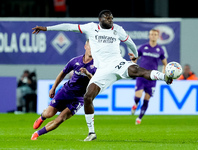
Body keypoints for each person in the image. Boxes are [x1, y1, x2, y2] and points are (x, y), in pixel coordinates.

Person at [32, 10, 173, 141]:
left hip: (117, 63)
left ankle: (165, 77)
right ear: (100, 19)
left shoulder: (118, 30)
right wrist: (47, 28)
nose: (110, 19)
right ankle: (91, 133)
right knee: (88, 96)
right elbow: (69, 26)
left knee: (138, 71)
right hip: (103, 70)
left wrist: (134, 56)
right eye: (107, 17)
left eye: (111, 17)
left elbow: (130, 43)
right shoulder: (91, 27)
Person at [31, 40, 96, 140]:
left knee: (61, 119)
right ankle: (42, 117)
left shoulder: (96, 65)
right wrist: (53, 88)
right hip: (66, 91)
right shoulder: (75, 61)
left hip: (79, 98)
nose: (92, 49)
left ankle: (37, 134)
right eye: (90, 46)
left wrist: (87, 74)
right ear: (85, 47)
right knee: (49, 113)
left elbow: (95, 82)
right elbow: (63, 73)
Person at [130, 29, 168, 125]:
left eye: (155, 34)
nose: (153, 36)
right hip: (141, 76)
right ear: (149, 36)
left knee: (146, 99)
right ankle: (135, 104)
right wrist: (133, 64)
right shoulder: (143, 47)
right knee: (138, 97)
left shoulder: (160, 50)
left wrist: (164, 74)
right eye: (152, 34)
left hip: (152, 78)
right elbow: (135, 58)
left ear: (158, 36)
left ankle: (139, 118)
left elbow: (165, 64)